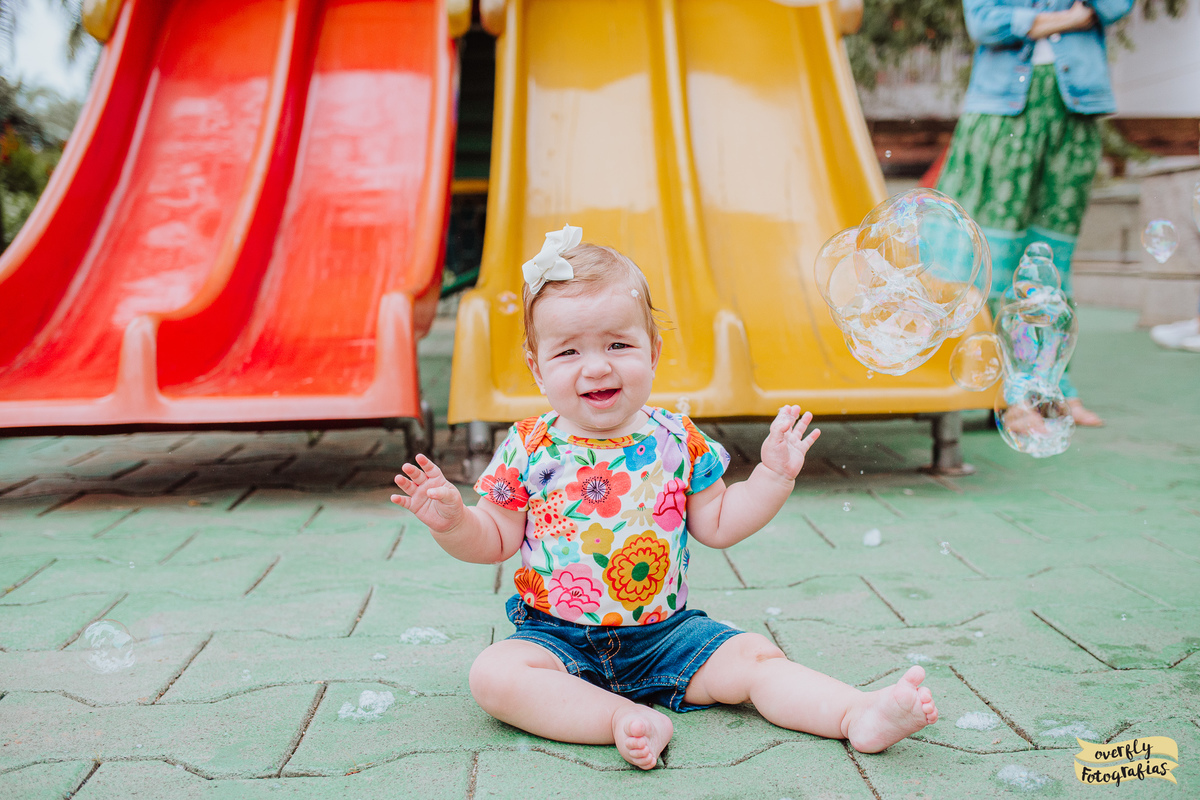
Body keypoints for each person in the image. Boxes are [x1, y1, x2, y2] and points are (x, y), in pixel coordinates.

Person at [390, 226, 939, 770]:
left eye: (618, 344)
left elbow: (720, 523)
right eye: (569, 352)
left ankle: (856, 714)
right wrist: (452, 520)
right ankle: (617, 719)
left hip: (668, 636)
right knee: (494, 675)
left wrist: (773, 477)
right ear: (537, 368)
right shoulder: (529, 446)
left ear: (653, 350)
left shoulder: (677, 438)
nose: (598, 365)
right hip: (555, 639)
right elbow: (494, 539)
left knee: (754, 658)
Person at [937, 0, 1134, 427]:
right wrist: (1068, 18)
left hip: (1074, 111)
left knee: (1052, 255)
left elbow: (1117, 6)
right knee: (996, 252)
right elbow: (985, 23)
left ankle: (1053, 386)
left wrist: (1037, 23)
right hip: (1002, 114)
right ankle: (1006, 393)